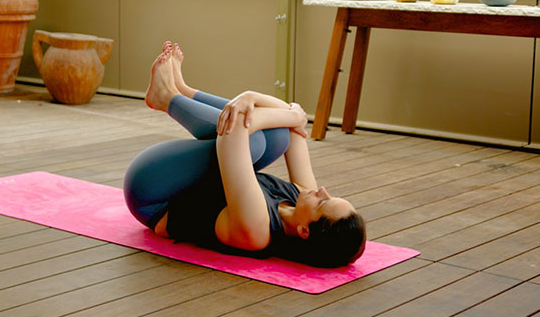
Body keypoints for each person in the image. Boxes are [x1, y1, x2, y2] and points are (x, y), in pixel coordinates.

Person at [123, 42, 366, 268]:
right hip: (183, 180)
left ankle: (166, 97)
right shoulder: (302, 201)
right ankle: (183, 92)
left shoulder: (257, 229)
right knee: (277, 136)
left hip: (154, 193)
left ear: (304, 231)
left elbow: (237, 127)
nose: (322, 190)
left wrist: (281, 111)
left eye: (323, 202)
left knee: (253, 141)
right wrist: (269, 106)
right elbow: (294, 130)